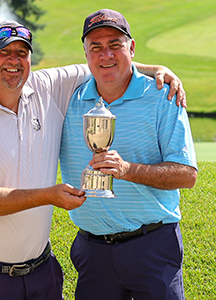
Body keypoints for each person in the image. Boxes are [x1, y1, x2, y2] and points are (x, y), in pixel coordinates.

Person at [0, 17, 187, 300]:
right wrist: (49, 195)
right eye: (3, 52)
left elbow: (105, 64)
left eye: (22, 53)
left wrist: (159, 69)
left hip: (41, 273)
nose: (14, 61)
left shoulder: (46, 86)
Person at [59, 9, 198, 300]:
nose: (105, 54)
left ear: (131, 48)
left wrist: (127, 170)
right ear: (85, 54)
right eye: (95, 47)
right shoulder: (66, 98)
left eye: (115, 45)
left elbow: (187, 175)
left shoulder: (163, 95)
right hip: (92, 250)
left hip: (153, 245)